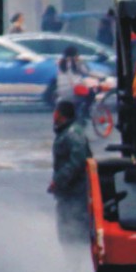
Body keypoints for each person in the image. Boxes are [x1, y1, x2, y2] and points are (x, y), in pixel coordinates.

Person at [49, 98, 93, 242]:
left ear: (59, 114)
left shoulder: (72, 134)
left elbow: (77, 161)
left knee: (75, 229)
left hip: (76, 193)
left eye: (55, 112)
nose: (53, 115)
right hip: (68, 192)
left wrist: (58, 181)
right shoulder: (66, 132)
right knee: (67, 228)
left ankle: (77, 255)